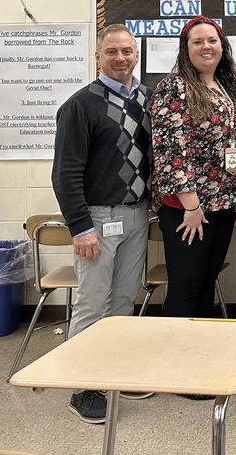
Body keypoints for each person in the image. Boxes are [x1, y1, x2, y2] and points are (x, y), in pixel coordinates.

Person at [52, 24, 152, 424]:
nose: (120, 58)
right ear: (97, 57)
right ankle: (83, 386)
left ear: (136, 55)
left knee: (124, 300)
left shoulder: (145, 99)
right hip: (97, 218)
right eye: (111, 51)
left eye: (127, 51)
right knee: (92, 304)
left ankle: (115, 371)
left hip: (137, 214)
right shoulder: (80, 105)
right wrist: (80, 227)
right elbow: (64, 174)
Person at [149, 16, 236, 327]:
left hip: (221, 204)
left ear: (222, 46)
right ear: (186, 49)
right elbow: (171, 152)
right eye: (198, 42)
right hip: (188, 208)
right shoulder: (174, 88)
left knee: (208, 282)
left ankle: (200, 359)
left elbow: (234, 141)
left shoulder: (225, 87)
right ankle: (176, 364)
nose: (206, 47)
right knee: (187, 286)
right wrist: (191, 206)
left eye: (212, 41)